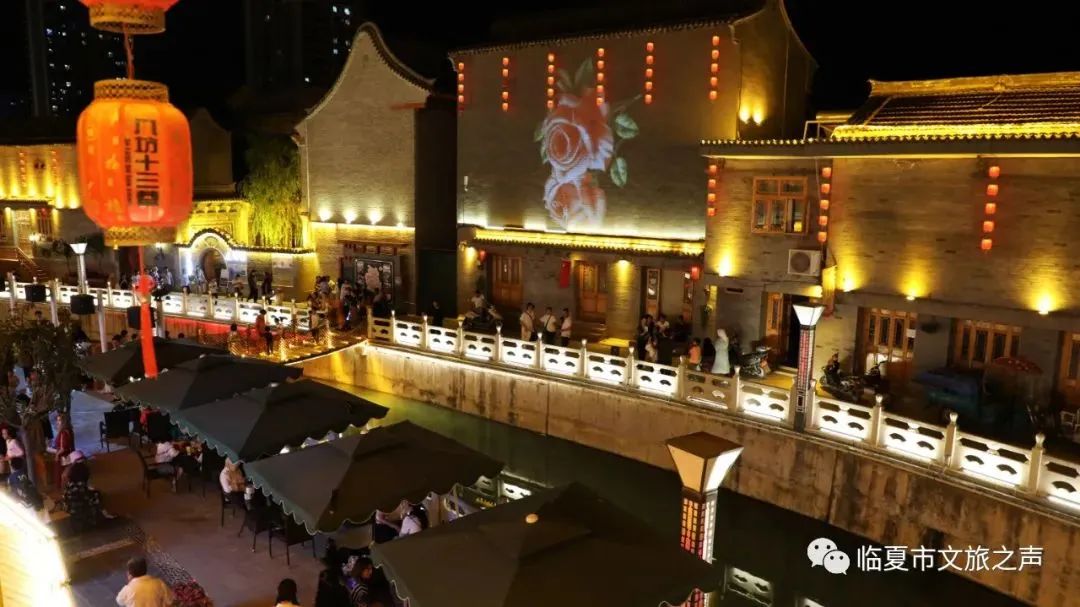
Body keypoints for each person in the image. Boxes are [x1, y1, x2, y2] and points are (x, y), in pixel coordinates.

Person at [52, 414, 75, 488]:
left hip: (63, 457)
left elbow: (63, 448)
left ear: (64, 421)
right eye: (57, 420)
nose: (57, 422)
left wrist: (57, 455)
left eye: (59, 420)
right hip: (69, 455)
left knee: (63, 475)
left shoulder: (63, 433)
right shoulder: (69, 430)